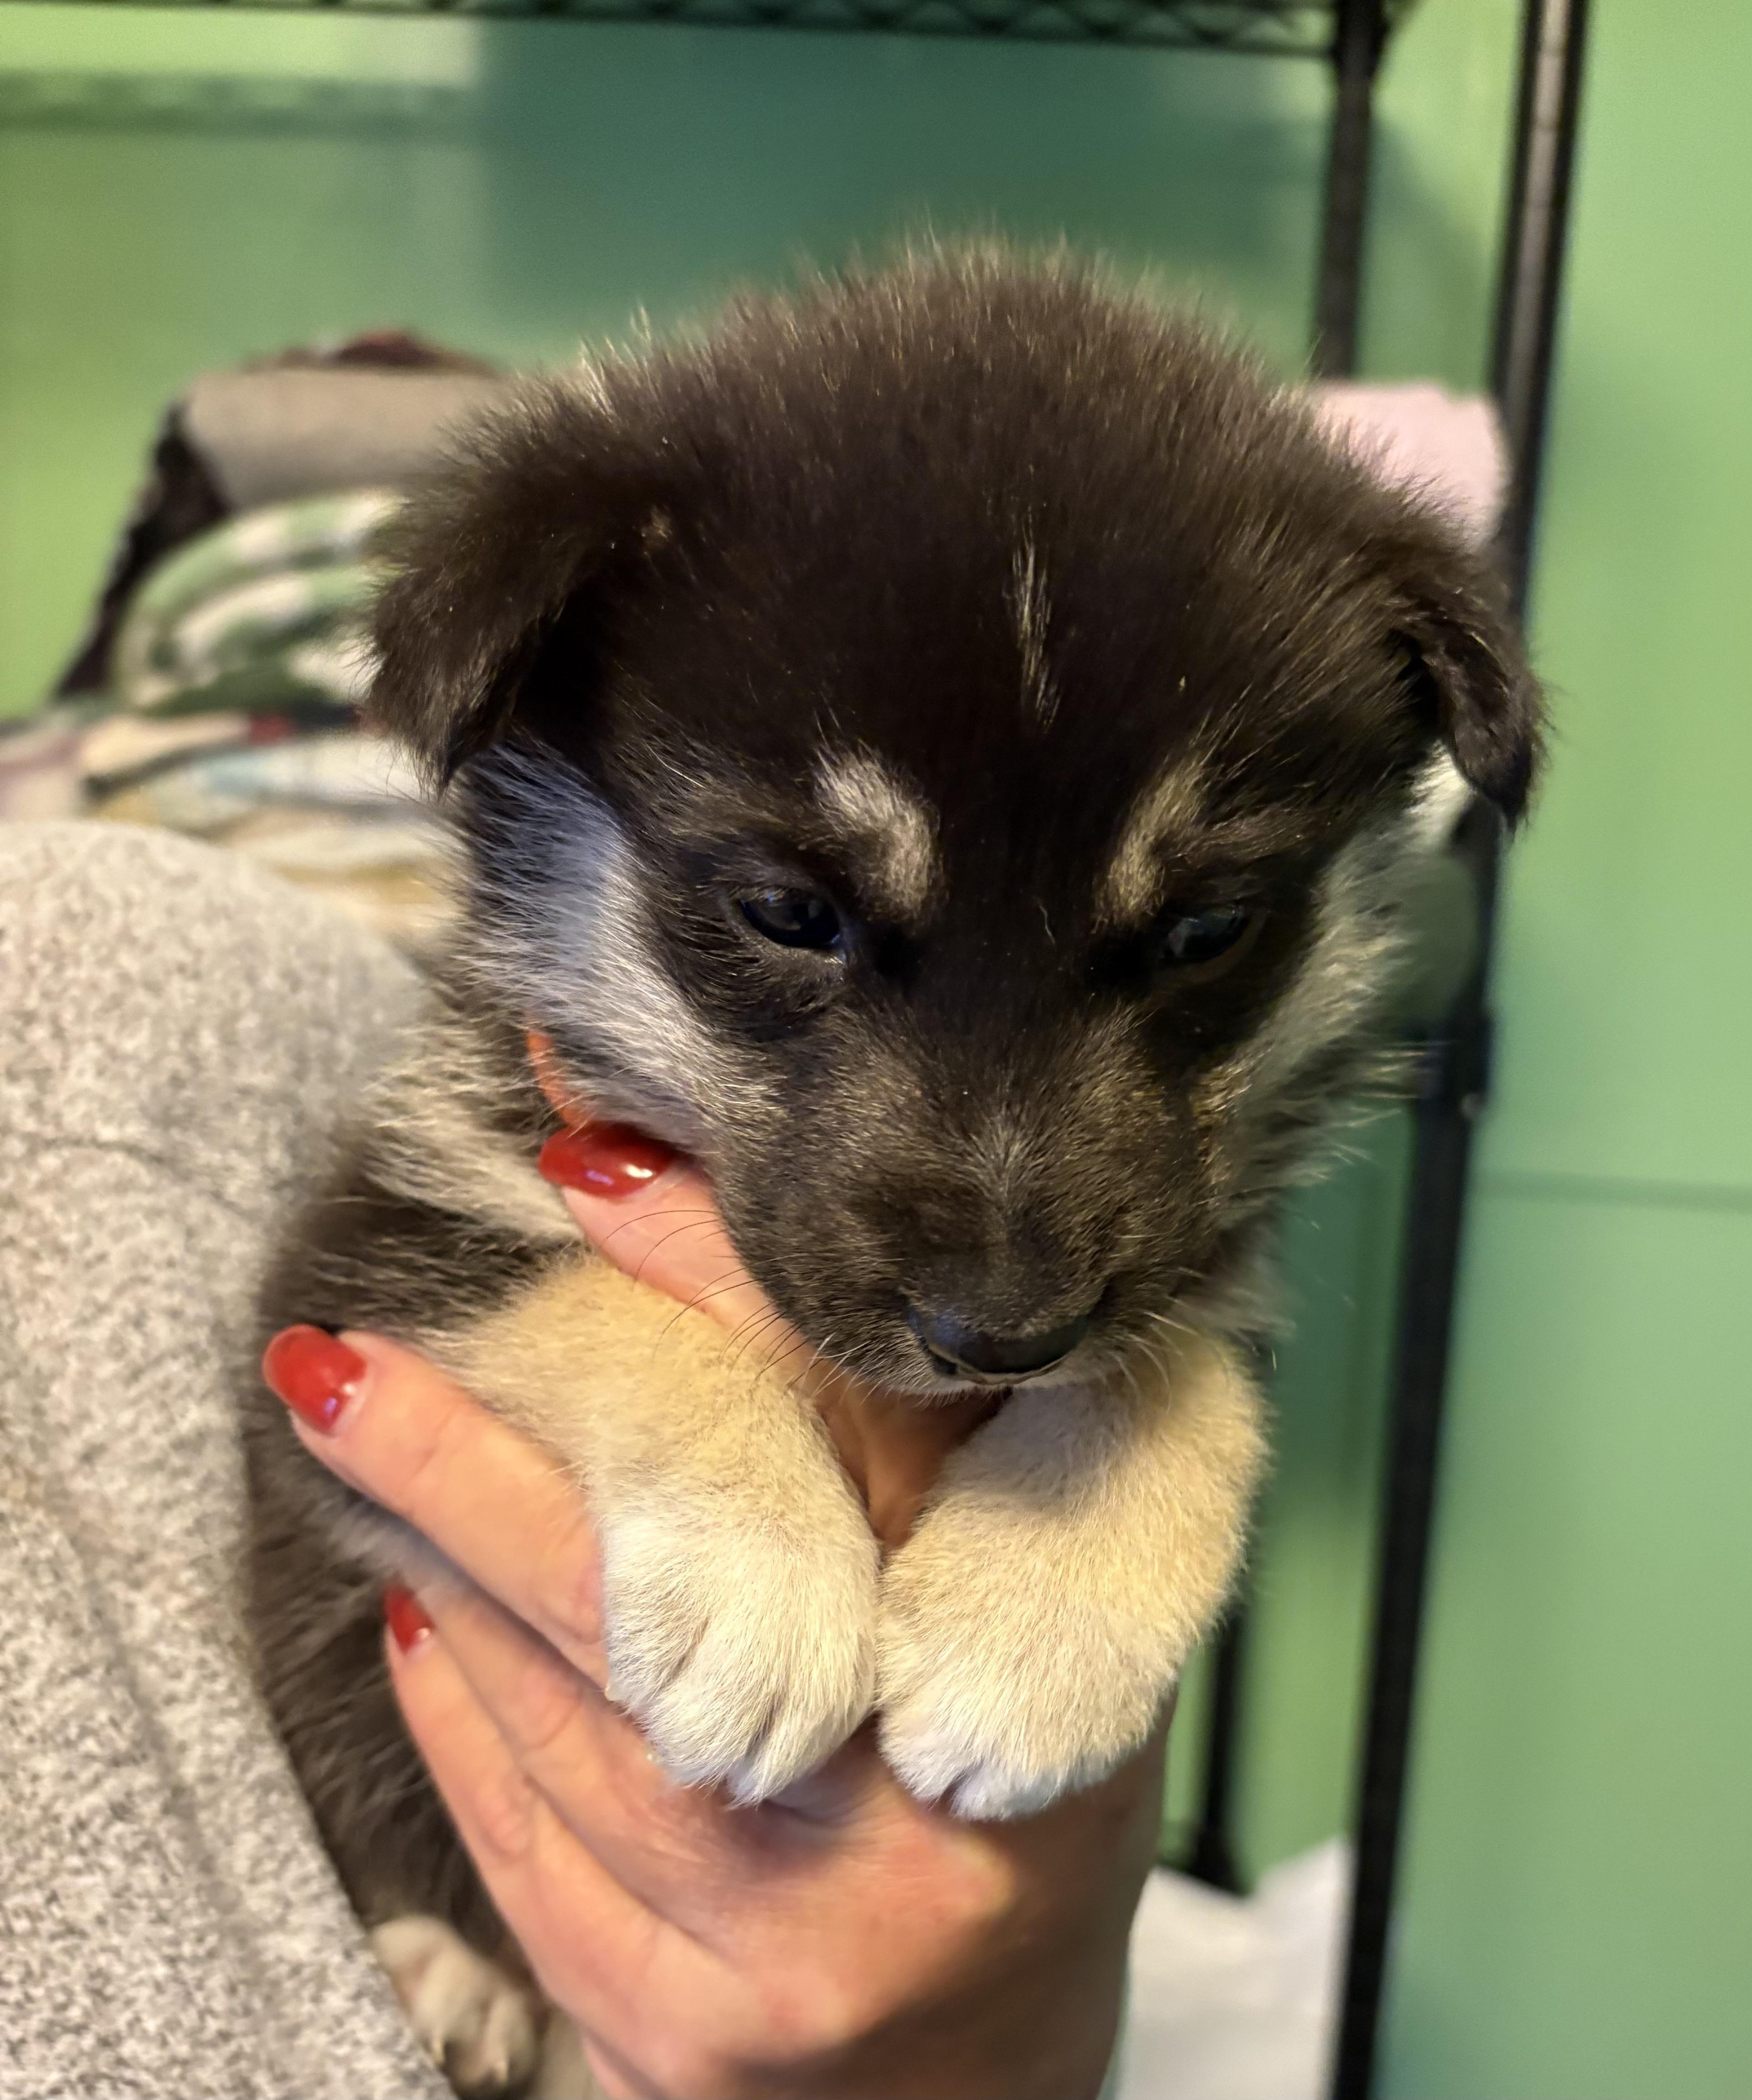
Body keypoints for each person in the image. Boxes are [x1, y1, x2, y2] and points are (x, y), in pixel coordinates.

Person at [0, 821, 1156, 2100]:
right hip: (442, 1892)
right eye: (789, 911)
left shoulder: (120, 982)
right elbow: (381, 1333)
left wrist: (1126, 1465)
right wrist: (691, 1440)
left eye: (1203, 936)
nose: (1003, 1288)